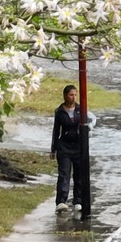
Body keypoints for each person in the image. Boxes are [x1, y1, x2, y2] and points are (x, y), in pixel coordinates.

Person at [51, 84, 84, 213]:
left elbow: (88, 124)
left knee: (79, 175)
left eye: (75, 95)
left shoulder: (81, 109)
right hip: (64, 146)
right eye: (71, 95)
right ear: (65, 95)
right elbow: (56, 130)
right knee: (64, 174)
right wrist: (53, 149)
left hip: (78, 146)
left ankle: (78, 201)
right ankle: (61, 201)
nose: (73, 97)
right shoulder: (59, 112)